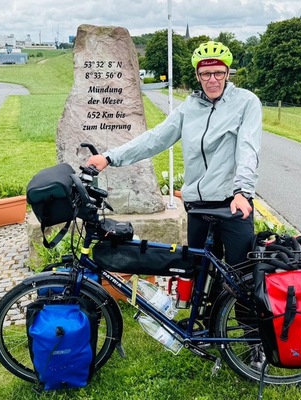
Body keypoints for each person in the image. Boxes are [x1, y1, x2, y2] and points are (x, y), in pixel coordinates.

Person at [86, 40, 262, 271]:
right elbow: (156, 138)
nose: (212, 79)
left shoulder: (246, 102)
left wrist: (242, 192)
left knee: (242, 274)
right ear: (198, 75)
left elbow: (248, 149)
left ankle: (244, 309)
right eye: (206, 73)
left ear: (228, 73)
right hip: (198, 205)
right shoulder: (189, 107)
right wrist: (109, 157)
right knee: (200, 272)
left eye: (218, 73)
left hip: (232, 203)